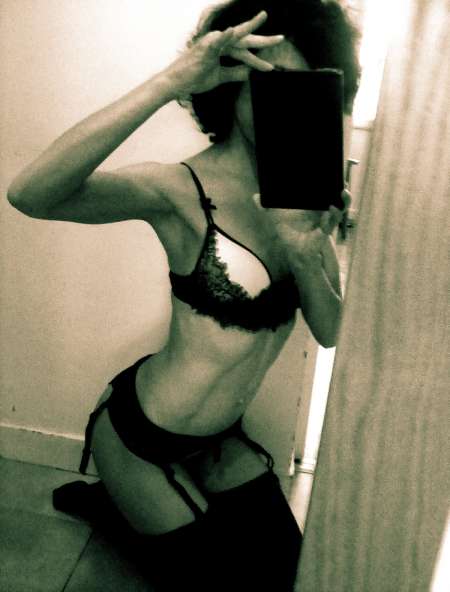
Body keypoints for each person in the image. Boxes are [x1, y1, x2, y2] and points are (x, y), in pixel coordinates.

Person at [7, 1, 360, 589]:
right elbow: (31, 195)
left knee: (291, 576)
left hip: (220, 438)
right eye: (269, 81)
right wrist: (172, 79)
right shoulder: (179, 190)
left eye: (302, 86)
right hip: (138, 437)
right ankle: (115, 504)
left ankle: (125, 508)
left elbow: (331, 333)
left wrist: (303, 249)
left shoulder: (306, 198)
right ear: (230, 85)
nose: (283, 100)